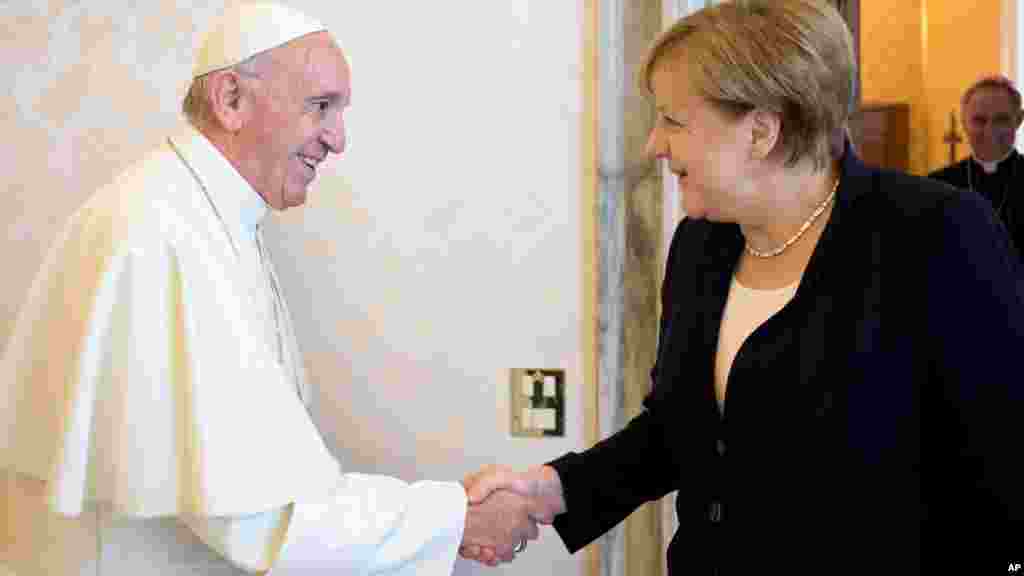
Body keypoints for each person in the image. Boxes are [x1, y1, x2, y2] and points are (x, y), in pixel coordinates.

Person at [461, 1, 1024, 573]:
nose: (654, 145)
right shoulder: (701, 244)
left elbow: (1003, 471)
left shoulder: (938, 233)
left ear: (760, 131)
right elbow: (676, 430)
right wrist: (550, 490)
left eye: (673, 120)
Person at [0, 3, 537, 574]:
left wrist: (448, 516)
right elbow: (262, 519)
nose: (337, 140)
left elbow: (260, 479)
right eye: (320, 106)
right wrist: (456, 519)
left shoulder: (207, 216)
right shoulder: (162, 232)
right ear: (231, 99)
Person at [928, 75, 1024, 256]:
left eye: (1001, 120)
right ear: (964, 122)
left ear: (1019, 120)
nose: (990, 131)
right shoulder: (937, 185)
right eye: (979, 121)